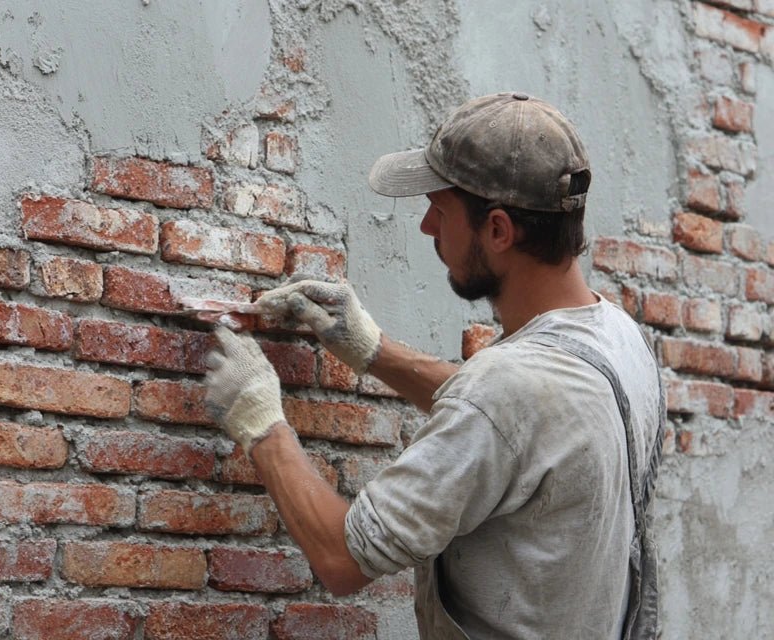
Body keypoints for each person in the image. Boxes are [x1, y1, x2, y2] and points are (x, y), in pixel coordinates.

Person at [204, 92, 664, 639]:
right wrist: (373, 350)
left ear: (497, 230)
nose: (426, 227)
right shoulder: (623, 340)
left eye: (439, 209)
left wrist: (260, 420)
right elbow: (525, 430)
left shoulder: (506, 391)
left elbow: (341, 559)